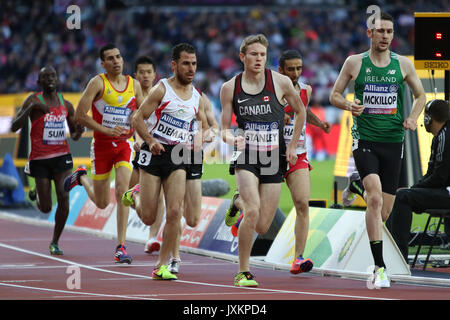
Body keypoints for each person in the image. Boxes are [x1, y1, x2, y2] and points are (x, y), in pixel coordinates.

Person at [329, 12, 426, 288]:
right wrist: (348, 105)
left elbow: (420, 96)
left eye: (389, 32)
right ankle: (379, 268)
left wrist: (412, 118)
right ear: (369, 33)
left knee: (383, 212)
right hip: (365, 139)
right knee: (374, 201)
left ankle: (356, 185)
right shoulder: (354, 63)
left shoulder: (403, 64)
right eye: (380, 31)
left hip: (394, 141)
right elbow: (333, 95)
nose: (385, 36)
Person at [226, 49, 331, 275]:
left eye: (299, 68)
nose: (295, 73)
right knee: (261, 220)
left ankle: (298, 258)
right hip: (269, 152)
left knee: (303, 204)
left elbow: (303, 110)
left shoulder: (306, 90)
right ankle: (239, 203)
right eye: (290, 69)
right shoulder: (270, 87)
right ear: (281, 70)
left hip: (296, 154)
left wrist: (319, 123)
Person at [220, 34, 306, 287]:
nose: (258, 59)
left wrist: (292, 146)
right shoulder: (230, 87)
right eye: (254, 54)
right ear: (242, 56)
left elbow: (300, 111)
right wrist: (231, 139)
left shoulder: (279, 82)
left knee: (261, 224)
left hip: (273, 157)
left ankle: (237, 202)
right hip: (246, 155)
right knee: (254, 209)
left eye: (262, 55)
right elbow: (224, 127)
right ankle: (243, 271)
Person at [122, 43, 208, 280]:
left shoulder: (196, 97)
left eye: (194, 64)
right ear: (174, 65)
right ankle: (135, 196)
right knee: (149, 217)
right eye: (186, 63)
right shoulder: (161, 90)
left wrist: (201, 136)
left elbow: (204, 125)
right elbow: (138, 119)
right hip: (154, 154)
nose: (191, 68)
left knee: (173, 211)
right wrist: (150, 140)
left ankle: (162, 265)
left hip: (179, 156)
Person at [64, 44, 145, 264]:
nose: (116, 61)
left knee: (121, 191)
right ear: (103, 63)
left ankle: (121, 246)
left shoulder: (134, 85)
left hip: (124, 145)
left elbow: (138, 116)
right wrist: (106, 130)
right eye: (110, 58)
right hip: (101, 145)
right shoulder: (97, 83)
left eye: (118, 56)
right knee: (100, 202)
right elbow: (80, 115)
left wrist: (137, 138)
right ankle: (81, 176)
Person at [10, 66, 83, 255]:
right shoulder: (33, 100)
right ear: (39, 82)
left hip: (61, 157)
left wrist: (79, 130)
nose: (50, 79)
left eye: (53, 76)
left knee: (64, 197)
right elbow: (13, 127)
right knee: (45, 208)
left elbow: (74, 135)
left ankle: (55, 242)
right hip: (40, 160)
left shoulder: (66, 105)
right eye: (45, 77)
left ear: (57, 80)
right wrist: (32, 109)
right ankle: (37, 193)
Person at [387, 99, 450, 263]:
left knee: (401, 197)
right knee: (403, 194)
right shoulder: (441, 135)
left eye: (426, 117)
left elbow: (439, 177)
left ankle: (397, 257)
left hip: (447, 192)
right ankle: (391, 251)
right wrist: (415, 189)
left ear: (429, 119)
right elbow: (434, 174)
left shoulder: (444, 135)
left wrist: (414, 189)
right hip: (445, 190)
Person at [168, 89, 219, 274]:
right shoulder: (166, 93)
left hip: (194, 157)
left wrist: (208, 134)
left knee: (192, 219)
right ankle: (174, 257)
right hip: (173, 154)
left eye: (193, 65)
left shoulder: (200, 96)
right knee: (175, 209)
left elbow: (213, 126)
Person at [129, 55, 164, 255]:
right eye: (141, 72)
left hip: (154, 147)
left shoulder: (159, 94)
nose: (145, 75)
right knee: (131, 194)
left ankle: (152, 238)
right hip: (134, 147)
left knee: (158, 197)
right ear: (136, 75)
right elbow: (136, 120)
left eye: (149, 72)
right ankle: (135, 198)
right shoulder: (130, 95)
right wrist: (137, 140)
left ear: (154, 74)